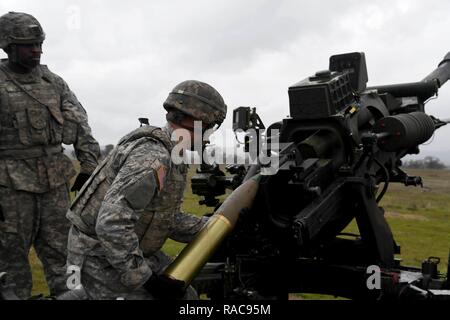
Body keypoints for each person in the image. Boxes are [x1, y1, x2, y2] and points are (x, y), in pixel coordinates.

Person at [66, 80, 227, 300]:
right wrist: (147, 281)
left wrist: (214, 229)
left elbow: (165, 217)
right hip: (99, 257)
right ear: (196, 121)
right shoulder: (153, 157)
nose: (208, 136)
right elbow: (112, 224)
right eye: (210, 127)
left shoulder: (172, 153)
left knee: (186, 293)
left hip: (122, 251)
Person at [0, 12, 100, 299]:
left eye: (39, 44)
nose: (37, 51)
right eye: (28, 45)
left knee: (65, 255)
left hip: (54, 183)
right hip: (9, 186)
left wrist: (89, 164)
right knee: (11, 258)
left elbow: (79, 122)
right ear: (8, 45)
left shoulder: (53, 82)